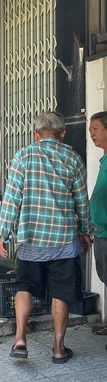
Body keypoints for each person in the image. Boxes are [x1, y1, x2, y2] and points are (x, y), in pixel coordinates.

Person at [0, 111, 92, 364]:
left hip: (31, 240)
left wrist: (2, 233)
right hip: (63, 241)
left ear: (36, 134)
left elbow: (12, 198)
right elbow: (82, 203)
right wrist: (86, 232)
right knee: (61, 293)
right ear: (63, 134)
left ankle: (20, 339)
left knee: (25, 287)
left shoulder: (23, 156)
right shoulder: (73, 158)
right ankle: (59, 349)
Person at [88, 112, 107, 336]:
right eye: (90, 130)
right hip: (100, 231)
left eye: (96, 129)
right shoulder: (103, 161)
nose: (91, 133)